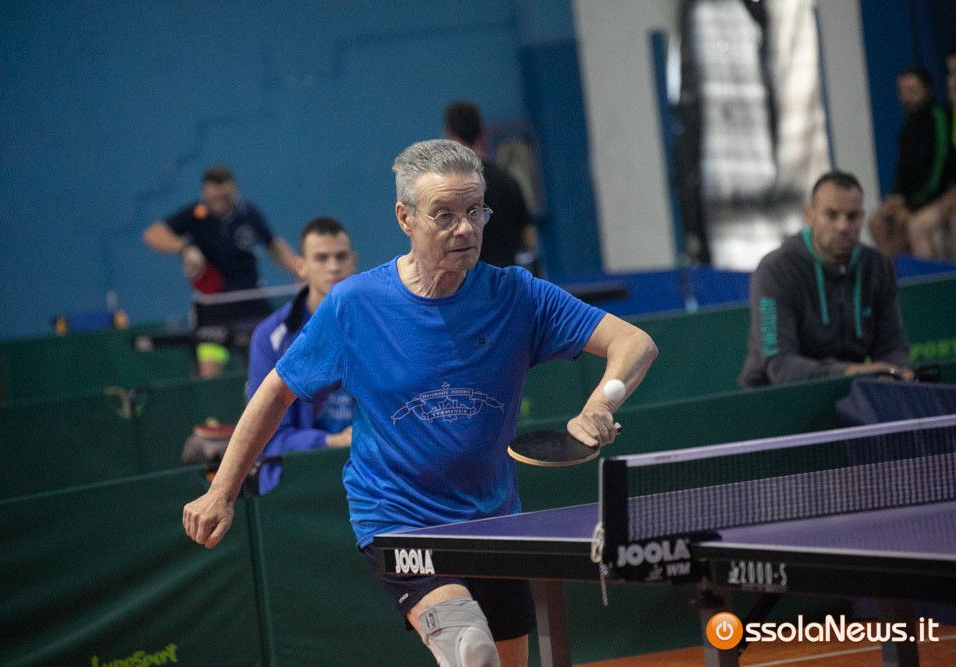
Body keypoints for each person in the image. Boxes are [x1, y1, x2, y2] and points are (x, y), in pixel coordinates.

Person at [183, 139, 657, 666]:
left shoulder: (517, 296)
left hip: (494, 522)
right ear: (405, 218)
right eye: (445, 215)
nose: (465, 228)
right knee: (469, 647)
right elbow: (275, 391)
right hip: (398, 518)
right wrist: (221, 491)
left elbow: (634, 343)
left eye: (475, 211)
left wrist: (600, 404)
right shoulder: (355, 306)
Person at [740, 171, 913, 387]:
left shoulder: (878, 267)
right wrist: (849, 372)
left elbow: (893, 347)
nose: (843, 226)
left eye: (852, 216)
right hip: (778, 397)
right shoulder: (775, 271)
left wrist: (897, 372)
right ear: (810, 215)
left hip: (854, 391)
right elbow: (779, 364)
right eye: (831, 215)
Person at [142, 165, 300, 377]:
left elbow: (273, 245)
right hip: (212, 309)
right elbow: (153, 234)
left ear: (235, 189)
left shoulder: (249, 213)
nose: (219, 201)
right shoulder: (194, 214)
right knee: (210, 376)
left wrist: (299, 269)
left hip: (251, 302)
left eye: (224, 196)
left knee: (271, 367)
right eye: (213, 197)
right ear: (204, 192)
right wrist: (185, 248)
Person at [247, 216, 357, 494]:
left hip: (369, 468)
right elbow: (267, 439)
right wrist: (330, 442)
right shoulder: (270, 337)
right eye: (321, 258)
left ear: (353, 261)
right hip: (302, 477)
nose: (333, 266)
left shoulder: (378, 324)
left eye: (341, 256)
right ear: (301, 266)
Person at [868, 67, 952, 258]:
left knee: (904, 223)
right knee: (877, 222)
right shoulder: (908, 125)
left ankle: (926, 275)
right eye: (902, 92)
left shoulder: (938, 117)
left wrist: (912, 203)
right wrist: (895, 197)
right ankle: (892, 271)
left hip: (933, 196)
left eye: (912, 91)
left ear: (928, 90)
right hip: (909, 198)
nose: (907, 98)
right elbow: (903, 170)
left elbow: (938, 170)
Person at [444, 100, 537, 268]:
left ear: (449, 134)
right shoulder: (507, 179)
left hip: (470, 277)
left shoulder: (449, 184)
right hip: (506, 275)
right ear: (481, 133)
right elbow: (529, 239)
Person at [907, 47, 956, 259]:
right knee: (916, 226)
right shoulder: (952, 115)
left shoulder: (938, 116)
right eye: (950, 74)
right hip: (949, 195)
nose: (952, 82)